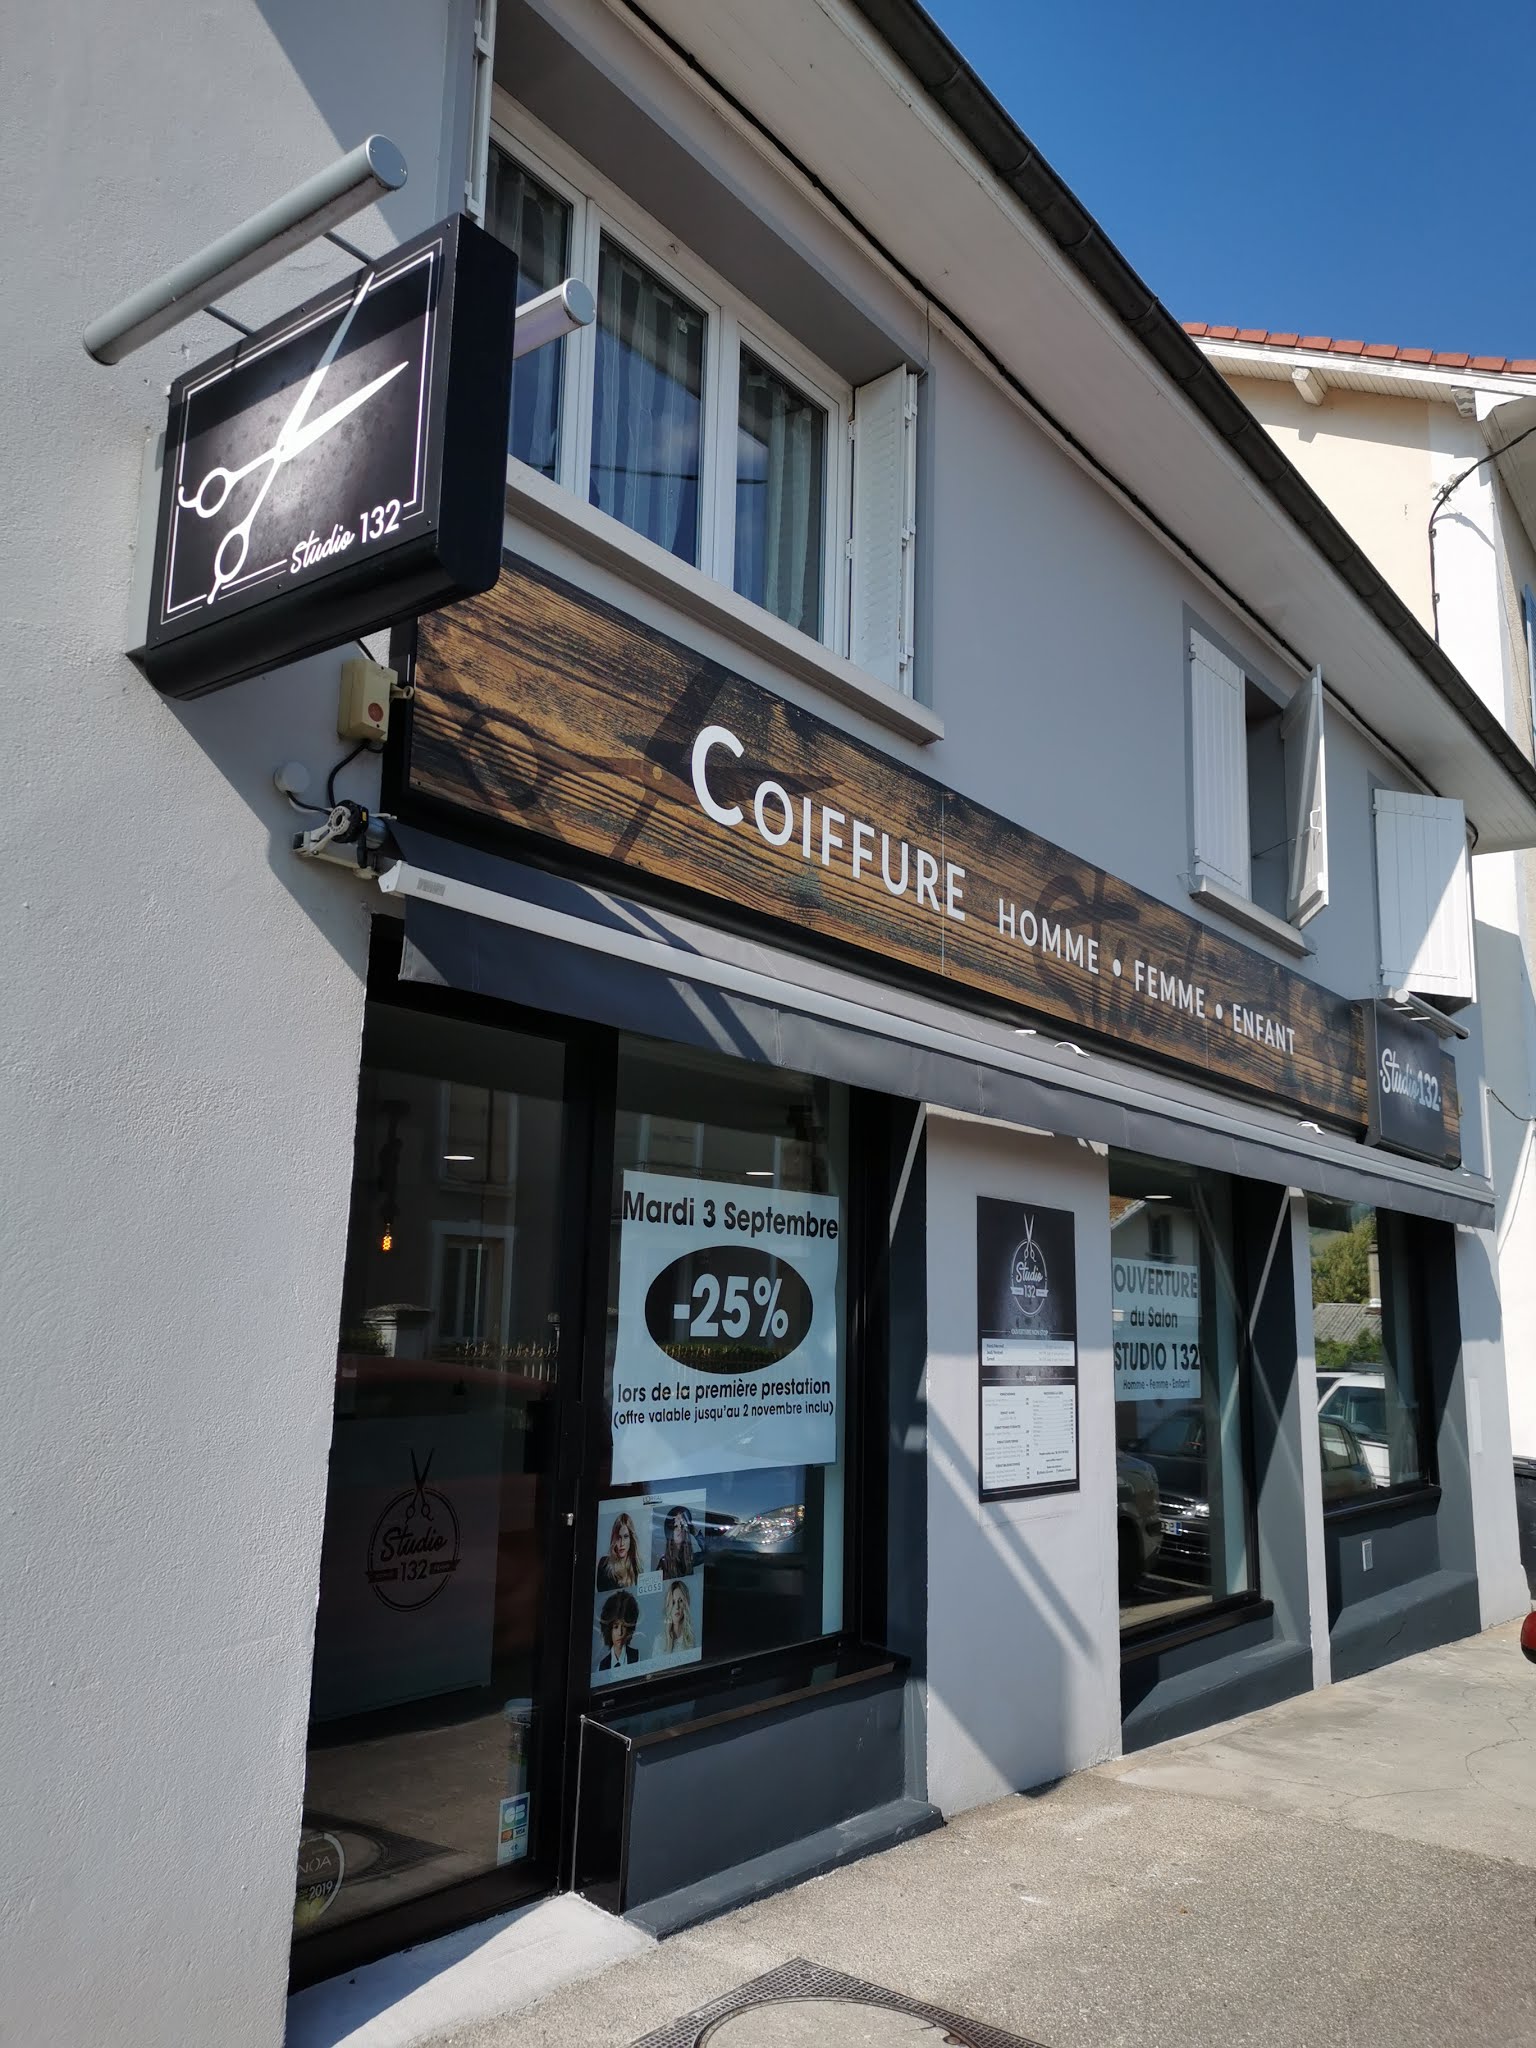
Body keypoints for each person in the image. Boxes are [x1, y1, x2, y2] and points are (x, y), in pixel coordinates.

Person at [596, 1510, 640, 1590]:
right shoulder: (604, 1565)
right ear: (614, 1539)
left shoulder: (637, 1568)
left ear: (631, 1539)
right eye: (618, 1537)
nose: (622, 1543)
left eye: (626, 1537)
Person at [596, 1591, 640, 1670]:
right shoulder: (601, 1666)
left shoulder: (638, 1657)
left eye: (624, 1626)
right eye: (616, 1627)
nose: (620, 1633)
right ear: (609, 1629)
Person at [655, 1577, 696, 1658]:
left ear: (685, 1604)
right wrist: (669, 1643)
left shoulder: (691, 1639)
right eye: (673, 1602)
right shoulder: (659, 1641)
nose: (677, 1607)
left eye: (680, 1601)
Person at [658, 1504, 696, 1580]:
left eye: (682, 1525)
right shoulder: (664, 1562)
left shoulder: (690, 1558)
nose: (679, 1529)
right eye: (675, 1526)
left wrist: (695, 1532)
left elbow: (706, 1552)